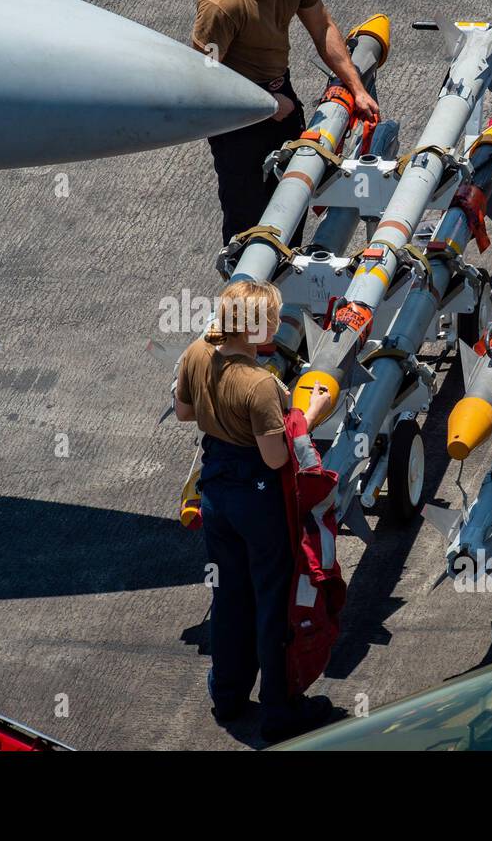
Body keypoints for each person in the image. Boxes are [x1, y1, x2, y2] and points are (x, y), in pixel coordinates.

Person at [173, 279, 334, 742]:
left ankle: (228, 695)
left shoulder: (198, 352)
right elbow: (277, 458)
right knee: (272, 601)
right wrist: (312, 412)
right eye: (273, 316)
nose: (278, 322)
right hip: (257, 497)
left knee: (229, 595)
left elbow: (184, 412)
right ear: (256, 325)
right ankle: (280, 710)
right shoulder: (260, 385)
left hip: (217, 491)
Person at [191, 0, 379, 246]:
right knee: (248, 225)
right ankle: (246, 297)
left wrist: (357, 87)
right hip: (238, 122)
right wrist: (266, 103)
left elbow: (322, 27)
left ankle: (283, 296)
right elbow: (202, 81)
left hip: (281, 97)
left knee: (292, 202)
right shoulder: (222, 3)